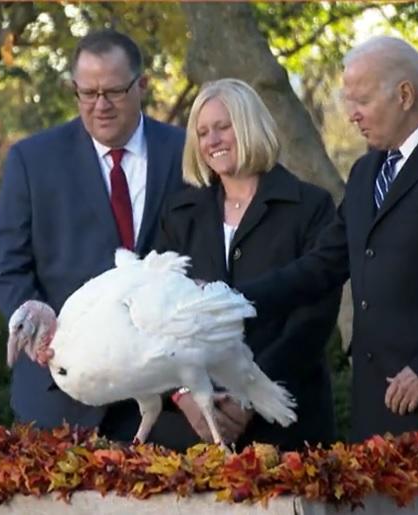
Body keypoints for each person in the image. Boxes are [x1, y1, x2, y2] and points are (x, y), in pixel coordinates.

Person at [237, 36, 418, 442]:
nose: (351, 115)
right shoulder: (363, 174)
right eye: (347, 101)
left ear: (405, 94)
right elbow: (323, 265)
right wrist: (231, 300)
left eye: (361, 101)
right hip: (373, 409)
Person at [0, 29, 189, 446]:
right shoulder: (31, 160)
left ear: (143, 85)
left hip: (165, 398)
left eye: (114, 91)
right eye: (88, 93)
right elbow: (9, 269)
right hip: (60, 397)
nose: (101, 105)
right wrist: (35, 321)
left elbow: (202, 254)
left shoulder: (184, 152)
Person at [154, 78, 341, 450]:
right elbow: (155, 318)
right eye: (203, 132)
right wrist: (185, 396)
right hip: (194, 430)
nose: (213, 140)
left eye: (224, 127)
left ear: (250, 125)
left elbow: (313, 320)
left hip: (286, 426)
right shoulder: (179, 214)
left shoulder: (310, 207)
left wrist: (251, 396)